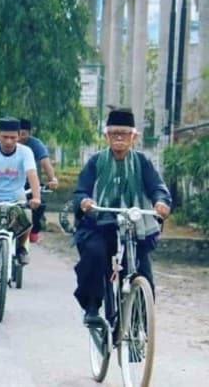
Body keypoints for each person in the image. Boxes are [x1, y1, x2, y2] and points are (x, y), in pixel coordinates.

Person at [72, 109, 171, 326]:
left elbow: (157, 187)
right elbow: (81, 191)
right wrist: (84, 202)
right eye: (114, 133)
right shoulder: (96, 162)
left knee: (142, 271)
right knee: (94, 255)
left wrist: (161, 202)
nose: (119, 138)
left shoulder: (142, 162)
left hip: (135, 226)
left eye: (125, 133)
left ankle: (139, 328)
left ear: (134, 137)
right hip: (99, 225)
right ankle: (92, 308)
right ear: (106, 136)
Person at [0, 117, 41, 302]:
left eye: (13, 137)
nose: (9, 141)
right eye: (5, 137)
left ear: (19, 136)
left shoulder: (25, 152)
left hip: (16, 197)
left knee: (27, 217)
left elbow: (32, 174)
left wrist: (36, 197)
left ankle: (21, 247)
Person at [19, 118, 59, 242]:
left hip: (29, 183)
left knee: (40, 203)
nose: (20, 138)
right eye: (18, 134)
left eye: (23, 134)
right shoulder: (7, 143)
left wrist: (52, 179)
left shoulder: (35, 145)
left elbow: (45, 162)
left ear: (29, 134)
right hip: (9, 182)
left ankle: (34, 228)